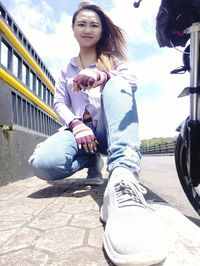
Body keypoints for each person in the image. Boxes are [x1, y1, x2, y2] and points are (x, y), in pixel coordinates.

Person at [29, 2, 168, 265]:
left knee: (119, 81)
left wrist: (103, 76)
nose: (88, 29)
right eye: (82, 23)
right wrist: (76, 125)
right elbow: (59, 102)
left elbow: (133, 81)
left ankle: (123, 173)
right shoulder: (65, 67)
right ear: (73, 29)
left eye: (94, 24)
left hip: (107, 132)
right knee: (44, 164)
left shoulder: (111, 59)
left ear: (102, 29)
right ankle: (92, 161)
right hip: (80, 132)